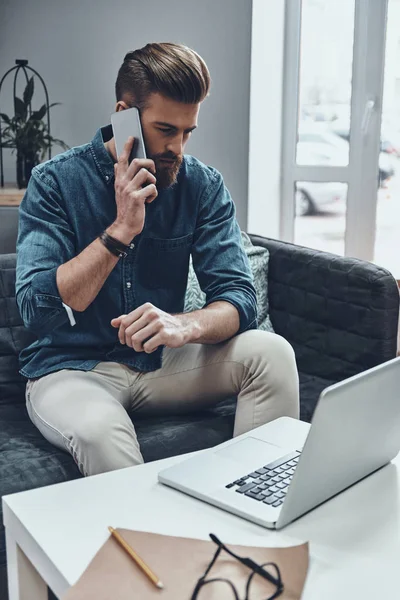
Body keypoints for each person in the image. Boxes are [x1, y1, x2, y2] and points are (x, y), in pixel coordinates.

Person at [16, 42, 299, 477]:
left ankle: (256, 519)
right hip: (70, 368)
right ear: (123, 113)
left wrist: (185, 325)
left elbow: (239, 297)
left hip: (162, 363)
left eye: (188, 132)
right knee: (98, 429)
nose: (177, 148)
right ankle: (146, 545)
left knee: (272, 353)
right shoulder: (54, 182)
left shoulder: (200, 185)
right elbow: (37, 310)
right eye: (165, 129)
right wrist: (121, 230)